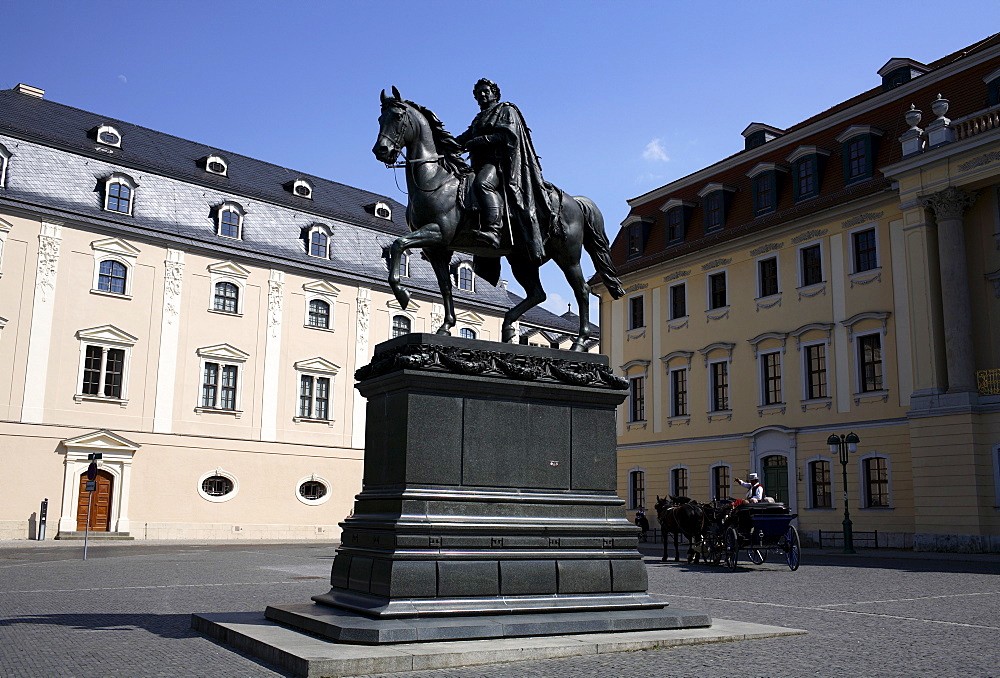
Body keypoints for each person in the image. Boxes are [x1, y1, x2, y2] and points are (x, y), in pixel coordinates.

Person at [455, 78, 552, 260]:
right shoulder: (479, 118)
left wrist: (478, 141)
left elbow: (507, 135)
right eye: (478, 93)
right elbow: (463, 138)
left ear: (494, 93)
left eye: (486, 91)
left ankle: (493, 230)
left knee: (483, 184)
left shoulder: (506, 110)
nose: (482, 95)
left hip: (500, 164)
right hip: (478, 164)